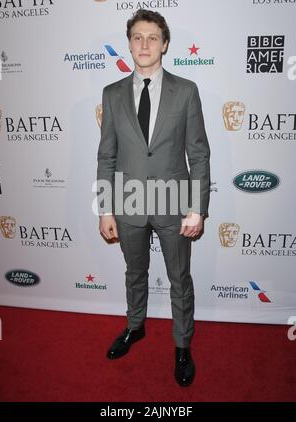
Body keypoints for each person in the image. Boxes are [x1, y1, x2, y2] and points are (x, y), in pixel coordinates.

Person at [97, 9, 210, 387]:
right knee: (134, 273)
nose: (144, 44)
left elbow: (198, 154)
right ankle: (135, 326)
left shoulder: (187, 90)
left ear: (164, 44)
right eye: (137, 37)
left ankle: (182, 346)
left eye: (152, 37)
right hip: (128, 201)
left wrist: (197, 208)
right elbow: (106, 155)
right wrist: (105, 207)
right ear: (129, 44)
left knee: (179, 277)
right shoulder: (111, 94)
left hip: (175, 201)